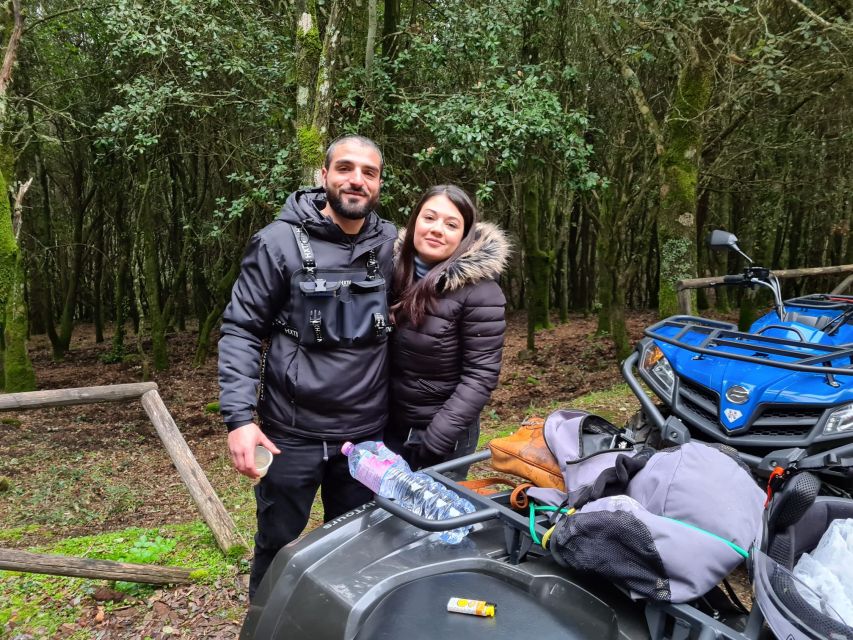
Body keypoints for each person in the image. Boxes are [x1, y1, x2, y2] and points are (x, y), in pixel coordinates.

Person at [218, 135, 396, 600]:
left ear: (378, 184)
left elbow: (442, 295)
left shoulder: (393, 244)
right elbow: (241, 329)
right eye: (345, 168)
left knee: (360, 551)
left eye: (369, 173)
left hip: (366, 435)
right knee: (277, 549)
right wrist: (239, 420)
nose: (356, 179)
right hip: (290, 434)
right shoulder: (278, 243)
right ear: (324, 176)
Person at [384, 185, 508, 479]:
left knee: (431, 518)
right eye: (429, 218)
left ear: (463, 236)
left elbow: (480, 375)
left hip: (442, 436)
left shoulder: (481, 293)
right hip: (391, 428)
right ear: (415, 222)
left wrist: (436, 439)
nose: (437, 229)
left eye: (451, 224)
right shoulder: (392, 275)